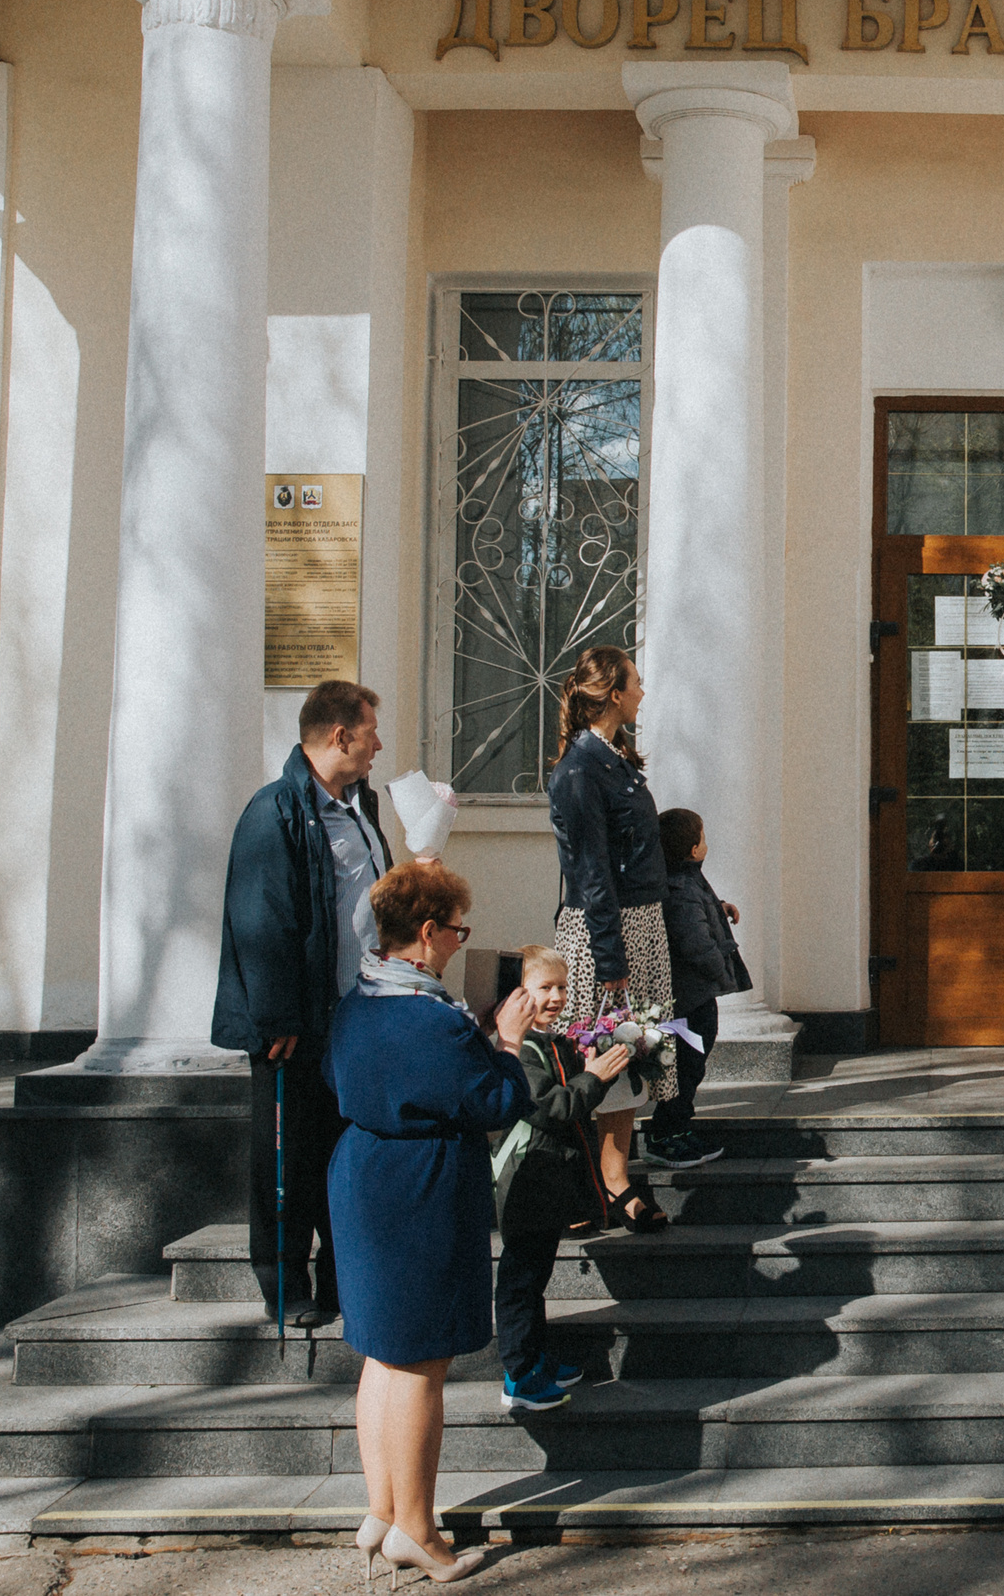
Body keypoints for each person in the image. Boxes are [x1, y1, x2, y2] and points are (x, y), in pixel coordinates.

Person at [326, 861, 532, 1585]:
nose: (456, 942)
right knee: (420, 1362)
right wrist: (505, 1042)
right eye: (454, 930)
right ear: (425, 932)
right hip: (419, 1185)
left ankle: (381, 1509)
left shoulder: (359, 997)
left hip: (361, 1169)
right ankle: (417, 1527)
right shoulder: (430, 1018)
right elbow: (496, 1101)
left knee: (382, 1351)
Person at [210, 679, 392, 1327]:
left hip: (355, 1017)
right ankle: (286, 1288)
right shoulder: (277, 809)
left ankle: (347, 1281)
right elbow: (262, 920)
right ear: (339, 735)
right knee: (290, 1157)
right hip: (299, 1024)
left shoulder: (358, 807)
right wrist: (277, 1016)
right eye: (371, 731)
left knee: (346, 1157)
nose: (378, 744)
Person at [547, 644, 672, 1232]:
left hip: (635, 925)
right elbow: (591, 868)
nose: (643, 691)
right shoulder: (579, 769)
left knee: (630, 1056)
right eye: (636, 683)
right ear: (614, 693)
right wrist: (609, 954)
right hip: (609, 931)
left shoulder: (613, 759)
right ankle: (586, 1186)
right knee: (598, 1058)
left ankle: (616, 1175)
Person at [493, 945, 634, 1412]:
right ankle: (518, 1372)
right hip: (527, 1179)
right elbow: (549, 1108)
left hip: (549, 1180)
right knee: (521, 1279)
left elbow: (577, 1094)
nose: (555, 997)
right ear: (518, 995)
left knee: (536, 1273)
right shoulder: (523, 1049)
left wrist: (596, 1066)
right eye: (544, 988)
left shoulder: (551, 1040)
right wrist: (592, 1077)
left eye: (561, 987)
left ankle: (534, 1356)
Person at [646, 807, 751, 1165]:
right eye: (702, 836)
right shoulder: (682, 887)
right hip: (692, 999)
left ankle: (678, 1127)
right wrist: (720, 968)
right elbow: (694, 941)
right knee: (688, 1065)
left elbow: (696, 911)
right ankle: (667, 1134)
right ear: (693, 849)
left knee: (691, 1064)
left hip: (693, 996)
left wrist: (718, 908)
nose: (707, 842)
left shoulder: (685, 880)